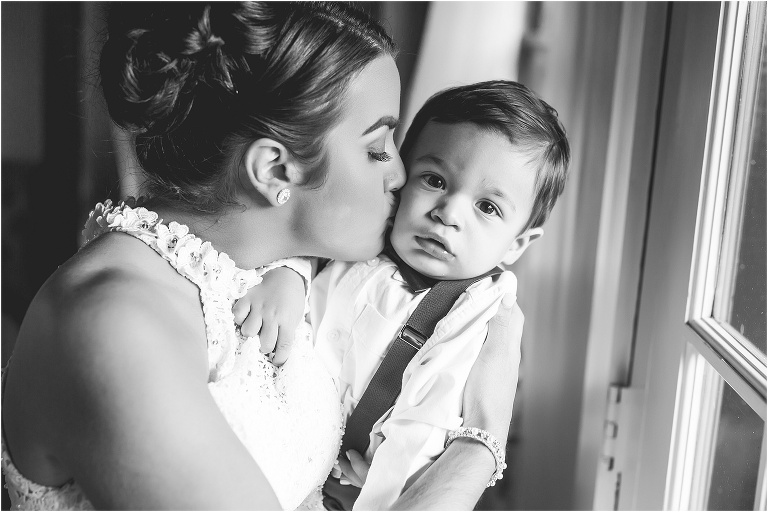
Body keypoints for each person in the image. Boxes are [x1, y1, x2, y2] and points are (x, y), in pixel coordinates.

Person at [1, 3, 524, 510]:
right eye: (378, 148)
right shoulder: (116, 326)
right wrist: (480, 440)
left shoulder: (257, 268)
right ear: (274, 171)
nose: (400, 176)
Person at [235, 80, 570, 509]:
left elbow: (428, 415)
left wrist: (388, 484)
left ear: (517, 244)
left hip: (354, 480)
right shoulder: (369, 236)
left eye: (487, 207)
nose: (447, 213)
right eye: (434, 179)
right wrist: (289, 272)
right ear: (401, 175)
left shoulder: (476, 312)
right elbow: (308, 236)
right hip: (278, 424)